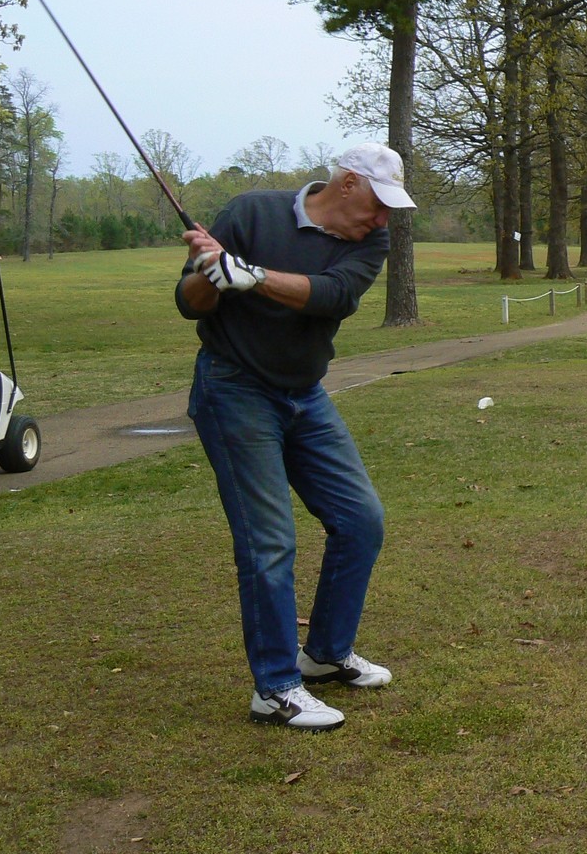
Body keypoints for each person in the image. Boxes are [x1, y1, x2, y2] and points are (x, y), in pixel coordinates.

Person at [177, 142, 416, 731]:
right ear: (347, 184)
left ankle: (326, 656)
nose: (383, 219)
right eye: (378, 203)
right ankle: (276, 689)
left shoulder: (369, 243)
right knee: (269, 540)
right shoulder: (250, 214)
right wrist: (214, 272)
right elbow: (190, 304)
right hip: (234, 388)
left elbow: (334, 296)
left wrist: (250, 275)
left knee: (361, 519)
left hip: (304, 392)